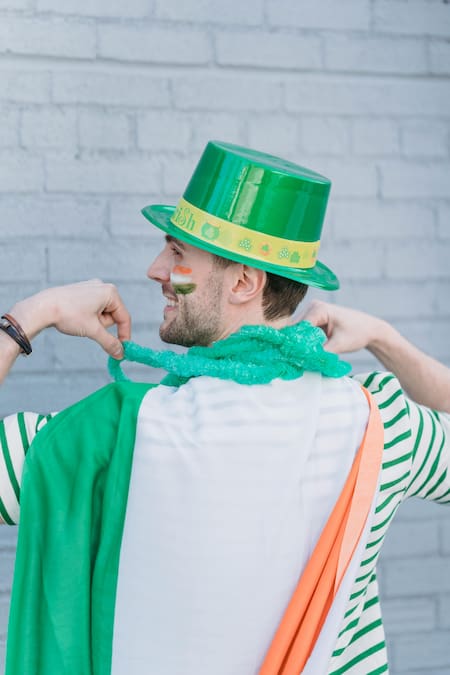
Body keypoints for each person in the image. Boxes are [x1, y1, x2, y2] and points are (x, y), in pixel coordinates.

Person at [0, 141, 449, 675]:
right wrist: (384, 339)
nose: (155, 269)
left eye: (177, 254)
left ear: (242, 282)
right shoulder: (381, 424)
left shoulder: (117, 435)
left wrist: (29, 317)